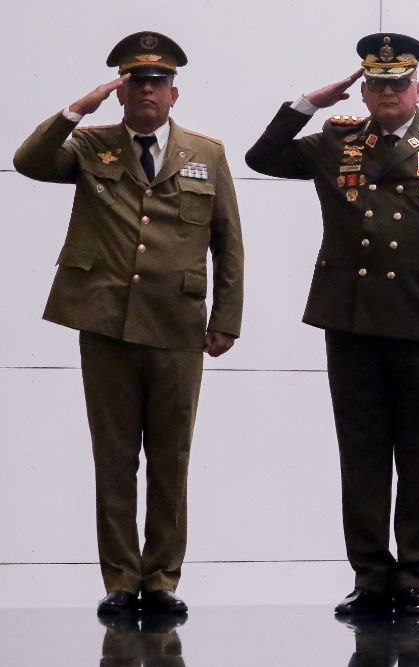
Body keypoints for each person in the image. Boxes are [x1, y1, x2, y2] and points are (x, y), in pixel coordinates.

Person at [244, 32, 419, 616]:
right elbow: (261, 158)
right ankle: (368, 573)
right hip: (353, 323)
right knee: (360, 455)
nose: (387, 93)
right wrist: (309, 103)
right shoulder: (335, 142)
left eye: (397, 84)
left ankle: (412, 575)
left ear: (417, 88)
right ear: (363, 90)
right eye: (376, 84)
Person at [13, 31, 244, 616]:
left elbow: (228, 242)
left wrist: (227, 319)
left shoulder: (206, 153)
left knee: (171, 457)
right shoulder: (91, 144)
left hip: (177, 326)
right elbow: (29, 162)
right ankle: (120, 577)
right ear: (121, 92)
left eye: (157, 82)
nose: (147, 90)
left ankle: (162, 578)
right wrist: (74, 110)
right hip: (106, 322)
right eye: (135, 81)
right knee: (114, 456)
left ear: (174, 93)